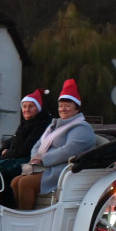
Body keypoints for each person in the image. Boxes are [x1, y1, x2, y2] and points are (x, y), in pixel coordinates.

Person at [10, 79, 97, 210]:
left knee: (25, 183)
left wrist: (43, 159)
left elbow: (68, 151)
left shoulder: (81, 128)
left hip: (63, 169)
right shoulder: (54, 125)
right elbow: (38, 144)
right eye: (61, 106)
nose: (63, 109)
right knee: (15, 181)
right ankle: (21, 214)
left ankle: (26, 218)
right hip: (46, 166)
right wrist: (35, 157)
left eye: (67, 105)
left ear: (77, 107)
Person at [0, 88, 52, 206]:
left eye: (30, 106)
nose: (26, 110)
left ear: (38, 108)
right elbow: (13, 139)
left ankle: (8, 207)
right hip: (17, 158)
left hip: (29, 162)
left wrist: (6, 154)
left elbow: (26, 149)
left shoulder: (41, 125)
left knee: (2, 174)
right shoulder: (27, 123)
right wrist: (1, 150)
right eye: (24, 106)